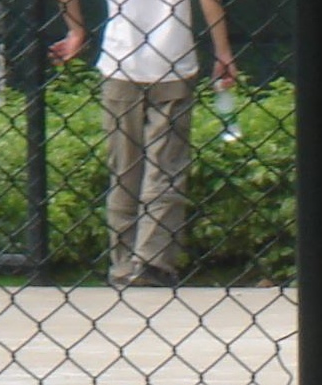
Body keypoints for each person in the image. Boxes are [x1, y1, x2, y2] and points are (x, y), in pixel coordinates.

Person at [51, 0, 236, 288]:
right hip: (173, 61)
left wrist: (76, 30)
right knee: (166, 169)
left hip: (120, 63)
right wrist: (222, 53)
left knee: (125, 170)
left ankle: (124, 266)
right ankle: (153, 261)